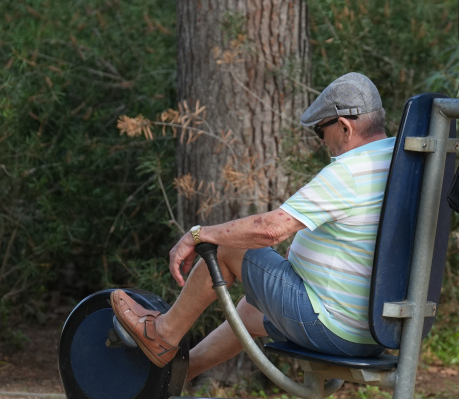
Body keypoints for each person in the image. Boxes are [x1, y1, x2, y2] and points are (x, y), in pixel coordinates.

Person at [111, 72, 392, 381]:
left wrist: (199, 234)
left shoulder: (350, 172)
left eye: (320, 131)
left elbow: (271, 229)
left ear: (345, 126)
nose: (322, 141)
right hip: (374, 332)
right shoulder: (396, 160)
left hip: (334, 327)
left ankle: (162, 334)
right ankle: (175, 377)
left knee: (227, 246)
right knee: (249, 310)